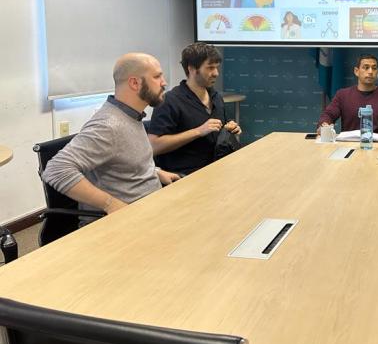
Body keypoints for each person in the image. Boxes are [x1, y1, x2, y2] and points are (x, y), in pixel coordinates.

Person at [42, 53, 180, 218]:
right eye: (157, 77)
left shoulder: (131, 116)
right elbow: (56, 170)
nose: (164, 83)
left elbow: (125, 161)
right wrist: (111, 204)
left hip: (150, 207)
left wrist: (155, 172)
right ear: (135, 83)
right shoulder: (108, 125)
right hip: (127, 221)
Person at [148, 43, 242, 175]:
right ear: (192, 69)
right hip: (186, 176)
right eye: (210, 68)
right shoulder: (169, 101)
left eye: (216, 67)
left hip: (218, 169)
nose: (216, 73)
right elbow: (153, 146)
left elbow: (221, 131)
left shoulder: (216, 97)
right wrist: (198, 131)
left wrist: (231, 128)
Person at [317, 54, 378, 136]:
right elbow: (328, 115)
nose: (370, 71)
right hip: (349, 145)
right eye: (366, 67)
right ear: (356, 71)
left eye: (374, 68)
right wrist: (324, 125)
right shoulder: (342, 95)